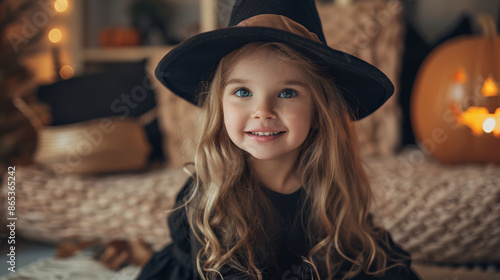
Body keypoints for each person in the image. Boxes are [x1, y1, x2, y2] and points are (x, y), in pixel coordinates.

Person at [137, 0, 420, 279]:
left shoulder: (334, 187)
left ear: (319, 111)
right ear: (219, 105)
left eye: (287, 93)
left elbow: (362, 256)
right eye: (243, 92)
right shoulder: (209, 194)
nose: (263, 112)